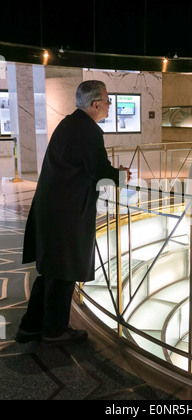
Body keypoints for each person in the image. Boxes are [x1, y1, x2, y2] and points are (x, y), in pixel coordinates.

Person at [15, 80, 131, 345]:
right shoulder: (87, 130)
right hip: (65, 214)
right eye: (108, 100)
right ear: (95, 104)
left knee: (52, 271)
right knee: (63, 273)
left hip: (54, 210)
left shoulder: (71, 124)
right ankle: (54, 331)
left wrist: (113, 173)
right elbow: (100, 172)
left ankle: (30, 327)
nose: (109, 105)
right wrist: (121, 175)